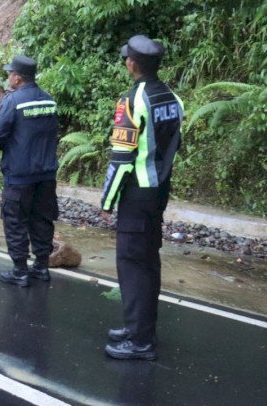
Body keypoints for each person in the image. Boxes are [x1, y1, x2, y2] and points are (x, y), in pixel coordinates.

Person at [100, 35, 183, 360]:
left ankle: (140, 342)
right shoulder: (171, 98)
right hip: (159, 191)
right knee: (148, 262)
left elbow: (122, 157)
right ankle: (140, 329)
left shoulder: (133, 100)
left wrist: (108, 200)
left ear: (131, 64)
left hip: (136, 193)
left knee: (132, 265)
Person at [0, 55, 59, 287]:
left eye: (10, 74)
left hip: (19, 174)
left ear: (17, 78)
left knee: (15, 220)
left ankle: (20, 271)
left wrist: (3, 148)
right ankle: (41, 267)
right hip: (46, 174)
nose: (8, 77)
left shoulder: (13, 101)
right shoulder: (49, 101)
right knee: (42, 219)